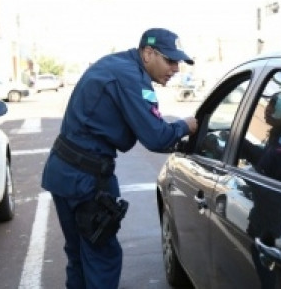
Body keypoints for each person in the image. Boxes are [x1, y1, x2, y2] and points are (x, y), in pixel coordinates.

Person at [41, 28, 198, 289]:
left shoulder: (115, 65)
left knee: (79, 253)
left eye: (178, 62)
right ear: (148, 53)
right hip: (87, 181)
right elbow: (157, 137)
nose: (176, 69)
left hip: (63, 171)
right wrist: (185, 126)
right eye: (170, 61)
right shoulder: (130, 77)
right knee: (103, 257)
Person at [242, 91, 281, 184]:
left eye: (276, 107)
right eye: (269, 104)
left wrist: (242, 146)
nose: (268, 109)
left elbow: (266, 166)